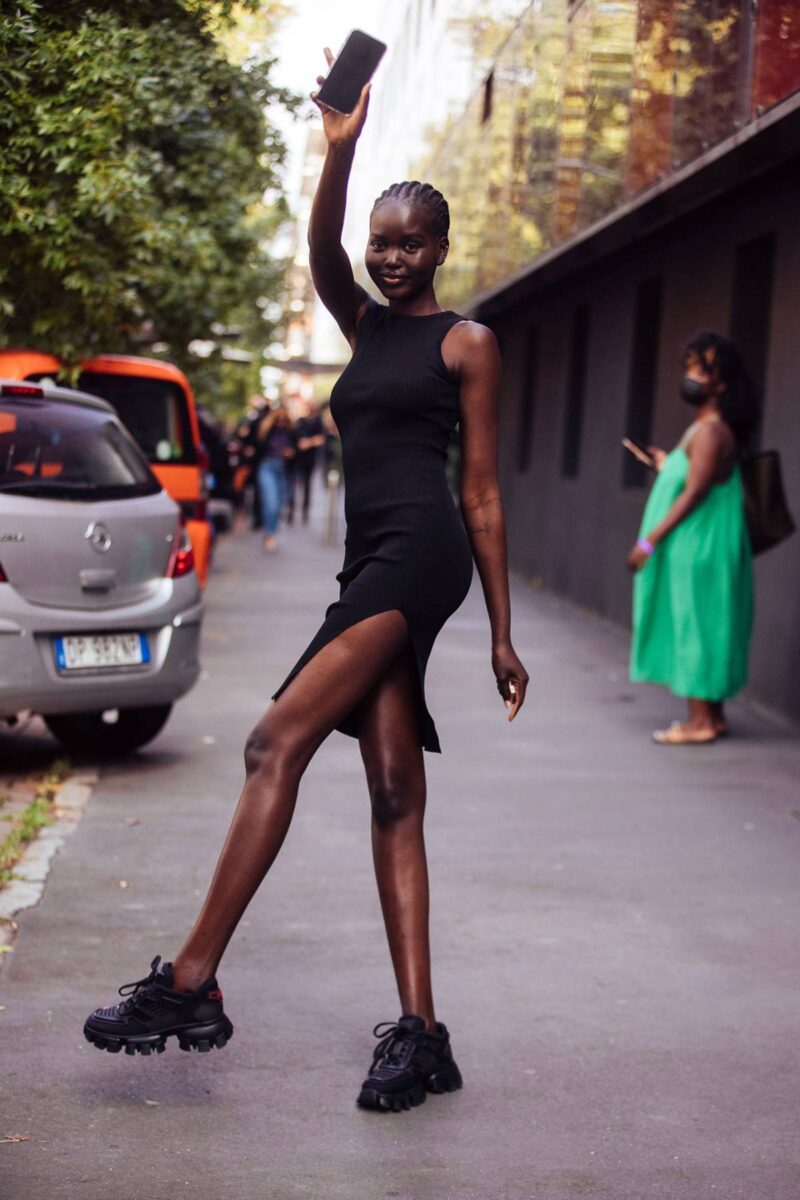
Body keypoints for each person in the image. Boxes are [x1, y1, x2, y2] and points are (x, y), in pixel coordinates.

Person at [82, 52, 529, 1115]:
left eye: (410, 242)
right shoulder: (363, 323)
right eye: (383, 241)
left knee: (271, 741)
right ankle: (421, 1036)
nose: (391, 257)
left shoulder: (466, 342)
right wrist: (340, 152)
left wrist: (501, 633)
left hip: (418, 556)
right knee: (389, 791)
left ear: (441, 248)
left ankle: (190, 981)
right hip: (363, 558)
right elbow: (324, 244)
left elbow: (482, 493)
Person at [627, 331, 757, 744]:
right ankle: (712, 716)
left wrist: (649, 541)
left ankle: (700, 722)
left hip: (699, 546)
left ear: (721, 381)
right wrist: (667, 463)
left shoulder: (711, 432)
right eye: (689, 368)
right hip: (704, 545)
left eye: (701, 369)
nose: (691, 377)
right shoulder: (705, 430)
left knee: (697, 625)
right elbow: (693, 475)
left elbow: (695, 491)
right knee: (707, 622)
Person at [252, 405, 296, 552]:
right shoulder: (265, 431)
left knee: (278, 505)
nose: (281, 422)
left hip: (283, 469)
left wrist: (291, 453)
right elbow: (255, 449)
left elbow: (296, 451)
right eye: (278, 419)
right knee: (270, 502)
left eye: (284, 420)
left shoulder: (290, 432)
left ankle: (270, 531)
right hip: (267, 468)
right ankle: (270, 534)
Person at [287, 398, 326, 525]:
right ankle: (291, 511)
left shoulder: (318, 421)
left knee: (306, 485)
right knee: (294, 484)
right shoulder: (300, 421)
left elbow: (321, 438)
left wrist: (308, 443)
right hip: (298, 458)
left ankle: (304, 512)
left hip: (309, 458)